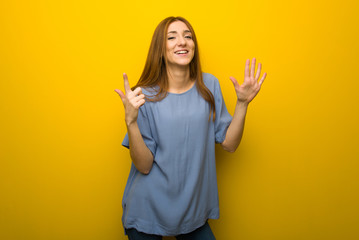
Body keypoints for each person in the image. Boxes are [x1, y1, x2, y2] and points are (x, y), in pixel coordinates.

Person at [114, 16, 267, 240]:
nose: (182, 42)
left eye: (188, 36)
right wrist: (131, 121)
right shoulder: (142, 95)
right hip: (147, 209)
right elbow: (144, 166)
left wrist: (242, 104)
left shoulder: (209, 86)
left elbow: (230, 144)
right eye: (172, 37)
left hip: (191, 211)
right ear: (160, 48)